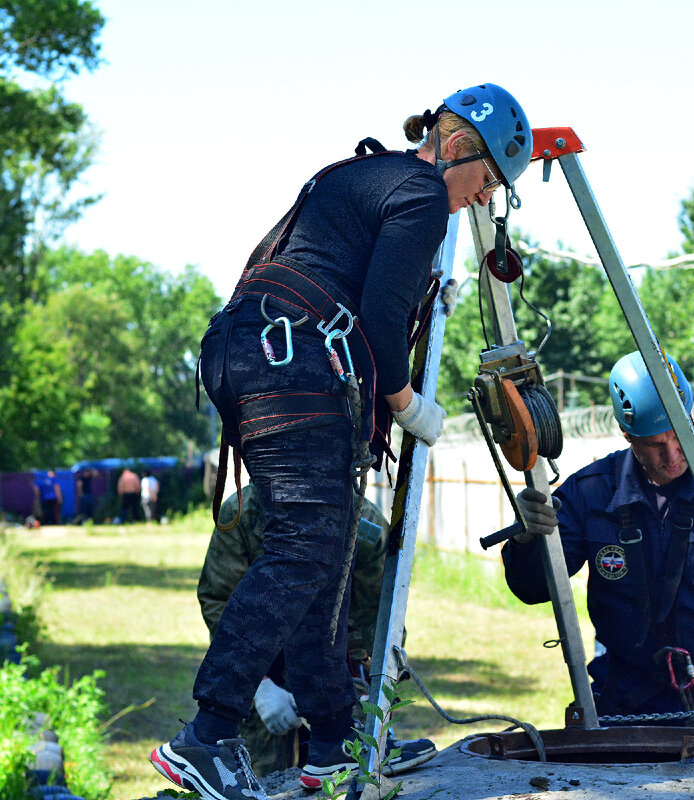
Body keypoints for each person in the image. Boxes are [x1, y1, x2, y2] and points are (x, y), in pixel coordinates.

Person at [150, 82, 533, 800]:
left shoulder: (359, 176)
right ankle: (205, 736)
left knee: (320, 549)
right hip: (292, 362)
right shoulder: (419, 195)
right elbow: (385, 322)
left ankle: (332, 739)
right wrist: (409, 404)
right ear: (455, 148)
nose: (481, 200)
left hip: (253, 350)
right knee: (304, 544)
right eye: (484, 180)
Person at [501, 352, 694, 725]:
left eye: (679, 435)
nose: (672, 455)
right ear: (627, 436)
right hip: (632, 706)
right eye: (654, 444)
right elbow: (534, 587)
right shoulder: (592, 493)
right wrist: (526, 538)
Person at [196, 483, 435, 777]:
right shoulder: (243, 513)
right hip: (263, 664)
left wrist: (378, 688)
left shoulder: (362, 519)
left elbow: (378, 609)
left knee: (355, 772)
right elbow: (221, 600)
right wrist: (259, 685)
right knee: (264, 779)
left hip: (337, 666)